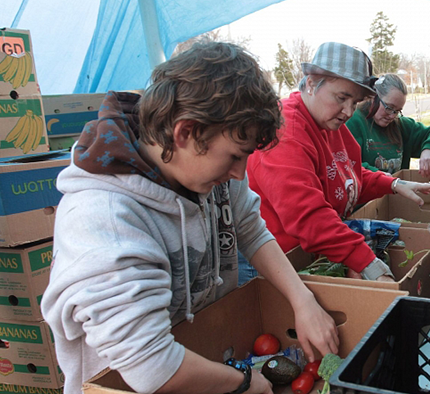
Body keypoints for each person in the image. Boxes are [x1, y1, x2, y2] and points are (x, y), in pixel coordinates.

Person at [40, 42, 339, 394]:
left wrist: (301, 300)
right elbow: (153, 368)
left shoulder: (201, 168)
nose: (240, 174)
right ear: (185, 132)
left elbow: (249, 228)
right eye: (233, 157)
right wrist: (244, 383)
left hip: (201, 372)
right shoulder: (105, 221)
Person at [247, 42, 430, 282]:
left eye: (356, 102)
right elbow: (308, 217)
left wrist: (393, 184)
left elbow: (346, 172)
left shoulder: (329, 123)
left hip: (317, 256)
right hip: (278, 266)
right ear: (311, 83)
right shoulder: (287, 130)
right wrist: (369, 264)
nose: (348, 112)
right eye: (342, 98)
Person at [345, 73, 430, 177]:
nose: (392, 116)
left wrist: (429, 149)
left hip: (395, 193)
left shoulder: (400, 124)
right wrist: (381, 178)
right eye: (389, 107)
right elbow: (349, 165)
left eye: (397, 111)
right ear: (374, 97)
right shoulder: (353, 123)